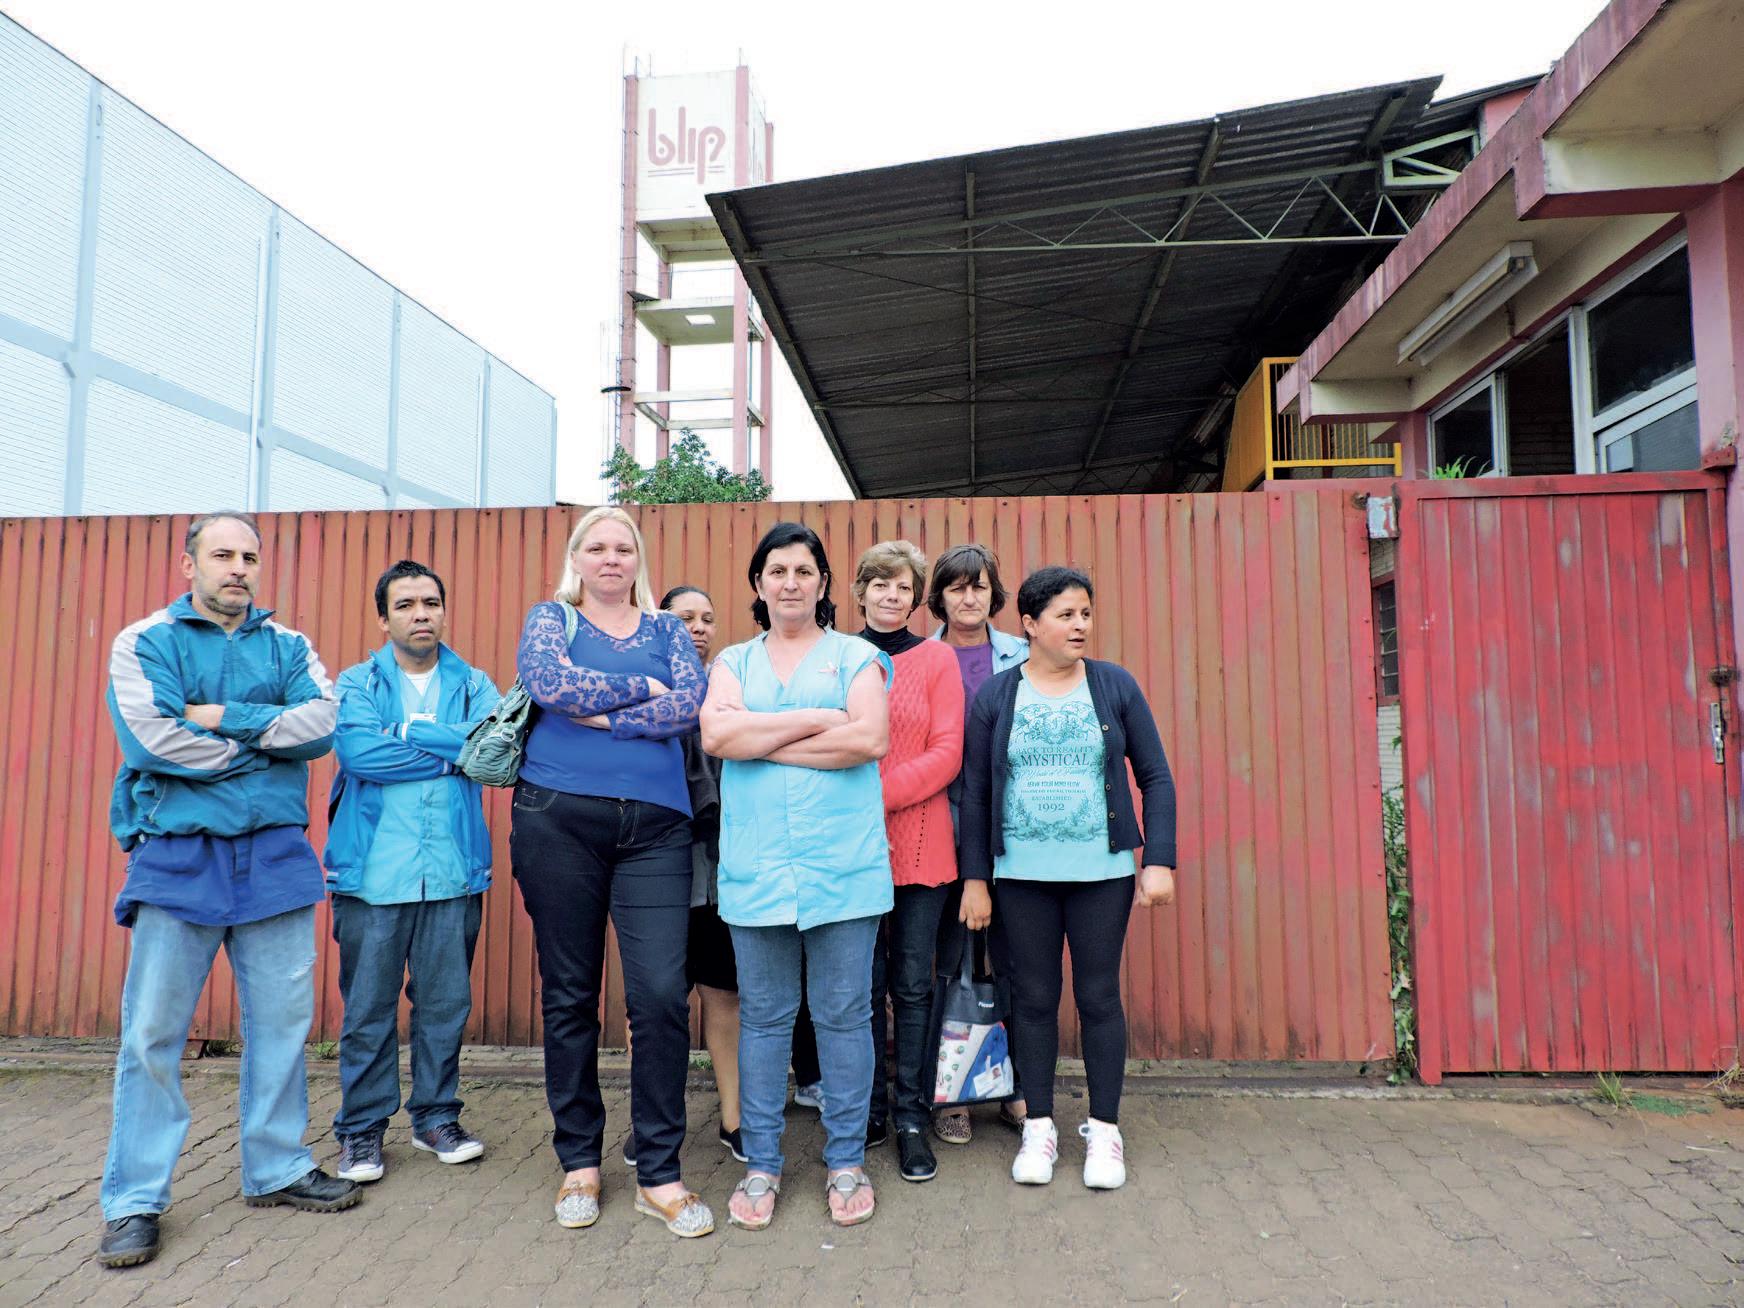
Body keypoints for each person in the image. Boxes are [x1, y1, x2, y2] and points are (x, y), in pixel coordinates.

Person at [97, 511, 355, 1270]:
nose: (237, 567)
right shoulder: (146, 642)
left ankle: (276, 1167)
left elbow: (322, 726)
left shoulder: (289, 646)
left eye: (248, 556)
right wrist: (263, 749)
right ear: (190, 565)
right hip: (179, 855)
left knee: (282, 1024)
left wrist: (225, 720)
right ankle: (134, 1199)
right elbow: (151, 739)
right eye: (221, 555)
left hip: (274, 855)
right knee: (152, 1033)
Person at [509, 507, 713, 1238]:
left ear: (638, 559)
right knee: (570, 994)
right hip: (557, 818)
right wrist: (644, 693)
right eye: (596, 547)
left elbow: (690, 705)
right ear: (577, 558)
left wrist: (606, 714)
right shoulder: (551, 619)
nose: (611, 558)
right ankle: (579, 1163)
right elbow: (548, 685)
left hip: (657, 830)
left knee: (659, 997)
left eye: (623, 547)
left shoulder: (667, 630)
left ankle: (659, 1172)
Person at [958, 565, 1178, 1191]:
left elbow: (1155, 777)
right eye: (1065, 615)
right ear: (1030, 624)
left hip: (1100, 876)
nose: (1080, 625)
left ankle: (1105, 1131)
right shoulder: (996, 696)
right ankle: (1039, 1127)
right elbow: (976, 794)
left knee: (1099, 997)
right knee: (1032, 999)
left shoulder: (1114, 686)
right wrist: (975, 879)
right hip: (1020, 878)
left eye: (1085, 613)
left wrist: (1158, 860)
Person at [700, 522, 892, 1231]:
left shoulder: (858, 656)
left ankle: (846, 1161)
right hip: (758, 871)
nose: (790, 582)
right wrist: (815, 720)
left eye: (803, 570)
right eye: (776, 570)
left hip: (845, 868)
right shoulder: (732, 662)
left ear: (822, 583)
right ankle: (762, 1163)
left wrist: (762, 738)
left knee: (844, 1017)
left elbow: (869, 738)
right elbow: (718, 736)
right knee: (765, 1019)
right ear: (758, 583)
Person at [324, 560, 502, 1184]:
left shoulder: (474, 682)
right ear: (384, 619)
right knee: (368, 1009)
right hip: (374, 875)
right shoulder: (358, 681)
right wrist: (450, 752)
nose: (420, 614)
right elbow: (358, 753)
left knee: (444, 1006)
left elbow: (494, 751)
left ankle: (435, 1118)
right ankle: (362, 1130)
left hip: (451, 872)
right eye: (405, 605)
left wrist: (405, 735)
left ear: (444, 612)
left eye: (430, 603)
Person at [621, 586, 745, 1167]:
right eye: (684, 617)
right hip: (650, 865)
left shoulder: (730, 686)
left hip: (718, 870)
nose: (698, 627)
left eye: (707, 618)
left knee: (724, 993)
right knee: (653, 1001)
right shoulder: (637, 684)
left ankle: (734, 1118)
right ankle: (649, 1122)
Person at [853, 541, 964, 1183]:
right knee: (862, 986)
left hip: (922, 844)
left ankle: (912, 1117)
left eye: (904, 587)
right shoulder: (839, 654)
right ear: (861, 591)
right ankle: (867, 1111)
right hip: (852, 848)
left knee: (913, 986)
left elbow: (947, 751)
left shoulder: (937, 658)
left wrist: (875, 794)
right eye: (881, 584)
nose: (892, 596)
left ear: (917, 598)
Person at [925, 542, 1029, 1147]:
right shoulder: (921, 656)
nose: (969, 598)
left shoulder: (1021, 653)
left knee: (1014, 956)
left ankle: (1015, 1084)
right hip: (940, 822)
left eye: (980, 587)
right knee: (950, 958)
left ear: (995, 595)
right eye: (957, 587)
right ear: (939, 597)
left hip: (1011, 826)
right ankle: (954, 1091)